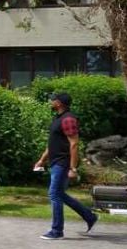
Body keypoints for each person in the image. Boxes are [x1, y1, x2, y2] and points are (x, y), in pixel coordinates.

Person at [34, 93, 98, 240]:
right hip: (56, 161)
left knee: (54, 194)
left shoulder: (68, 119)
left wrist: (73, 168)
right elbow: (53, 144)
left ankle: (57, 231)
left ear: (60, 103)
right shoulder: (58, 119)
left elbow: (74, 144)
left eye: (53, 99)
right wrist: (42, 160)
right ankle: (90, 217)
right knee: (60, 194)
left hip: (63, 162)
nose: (51, 101)